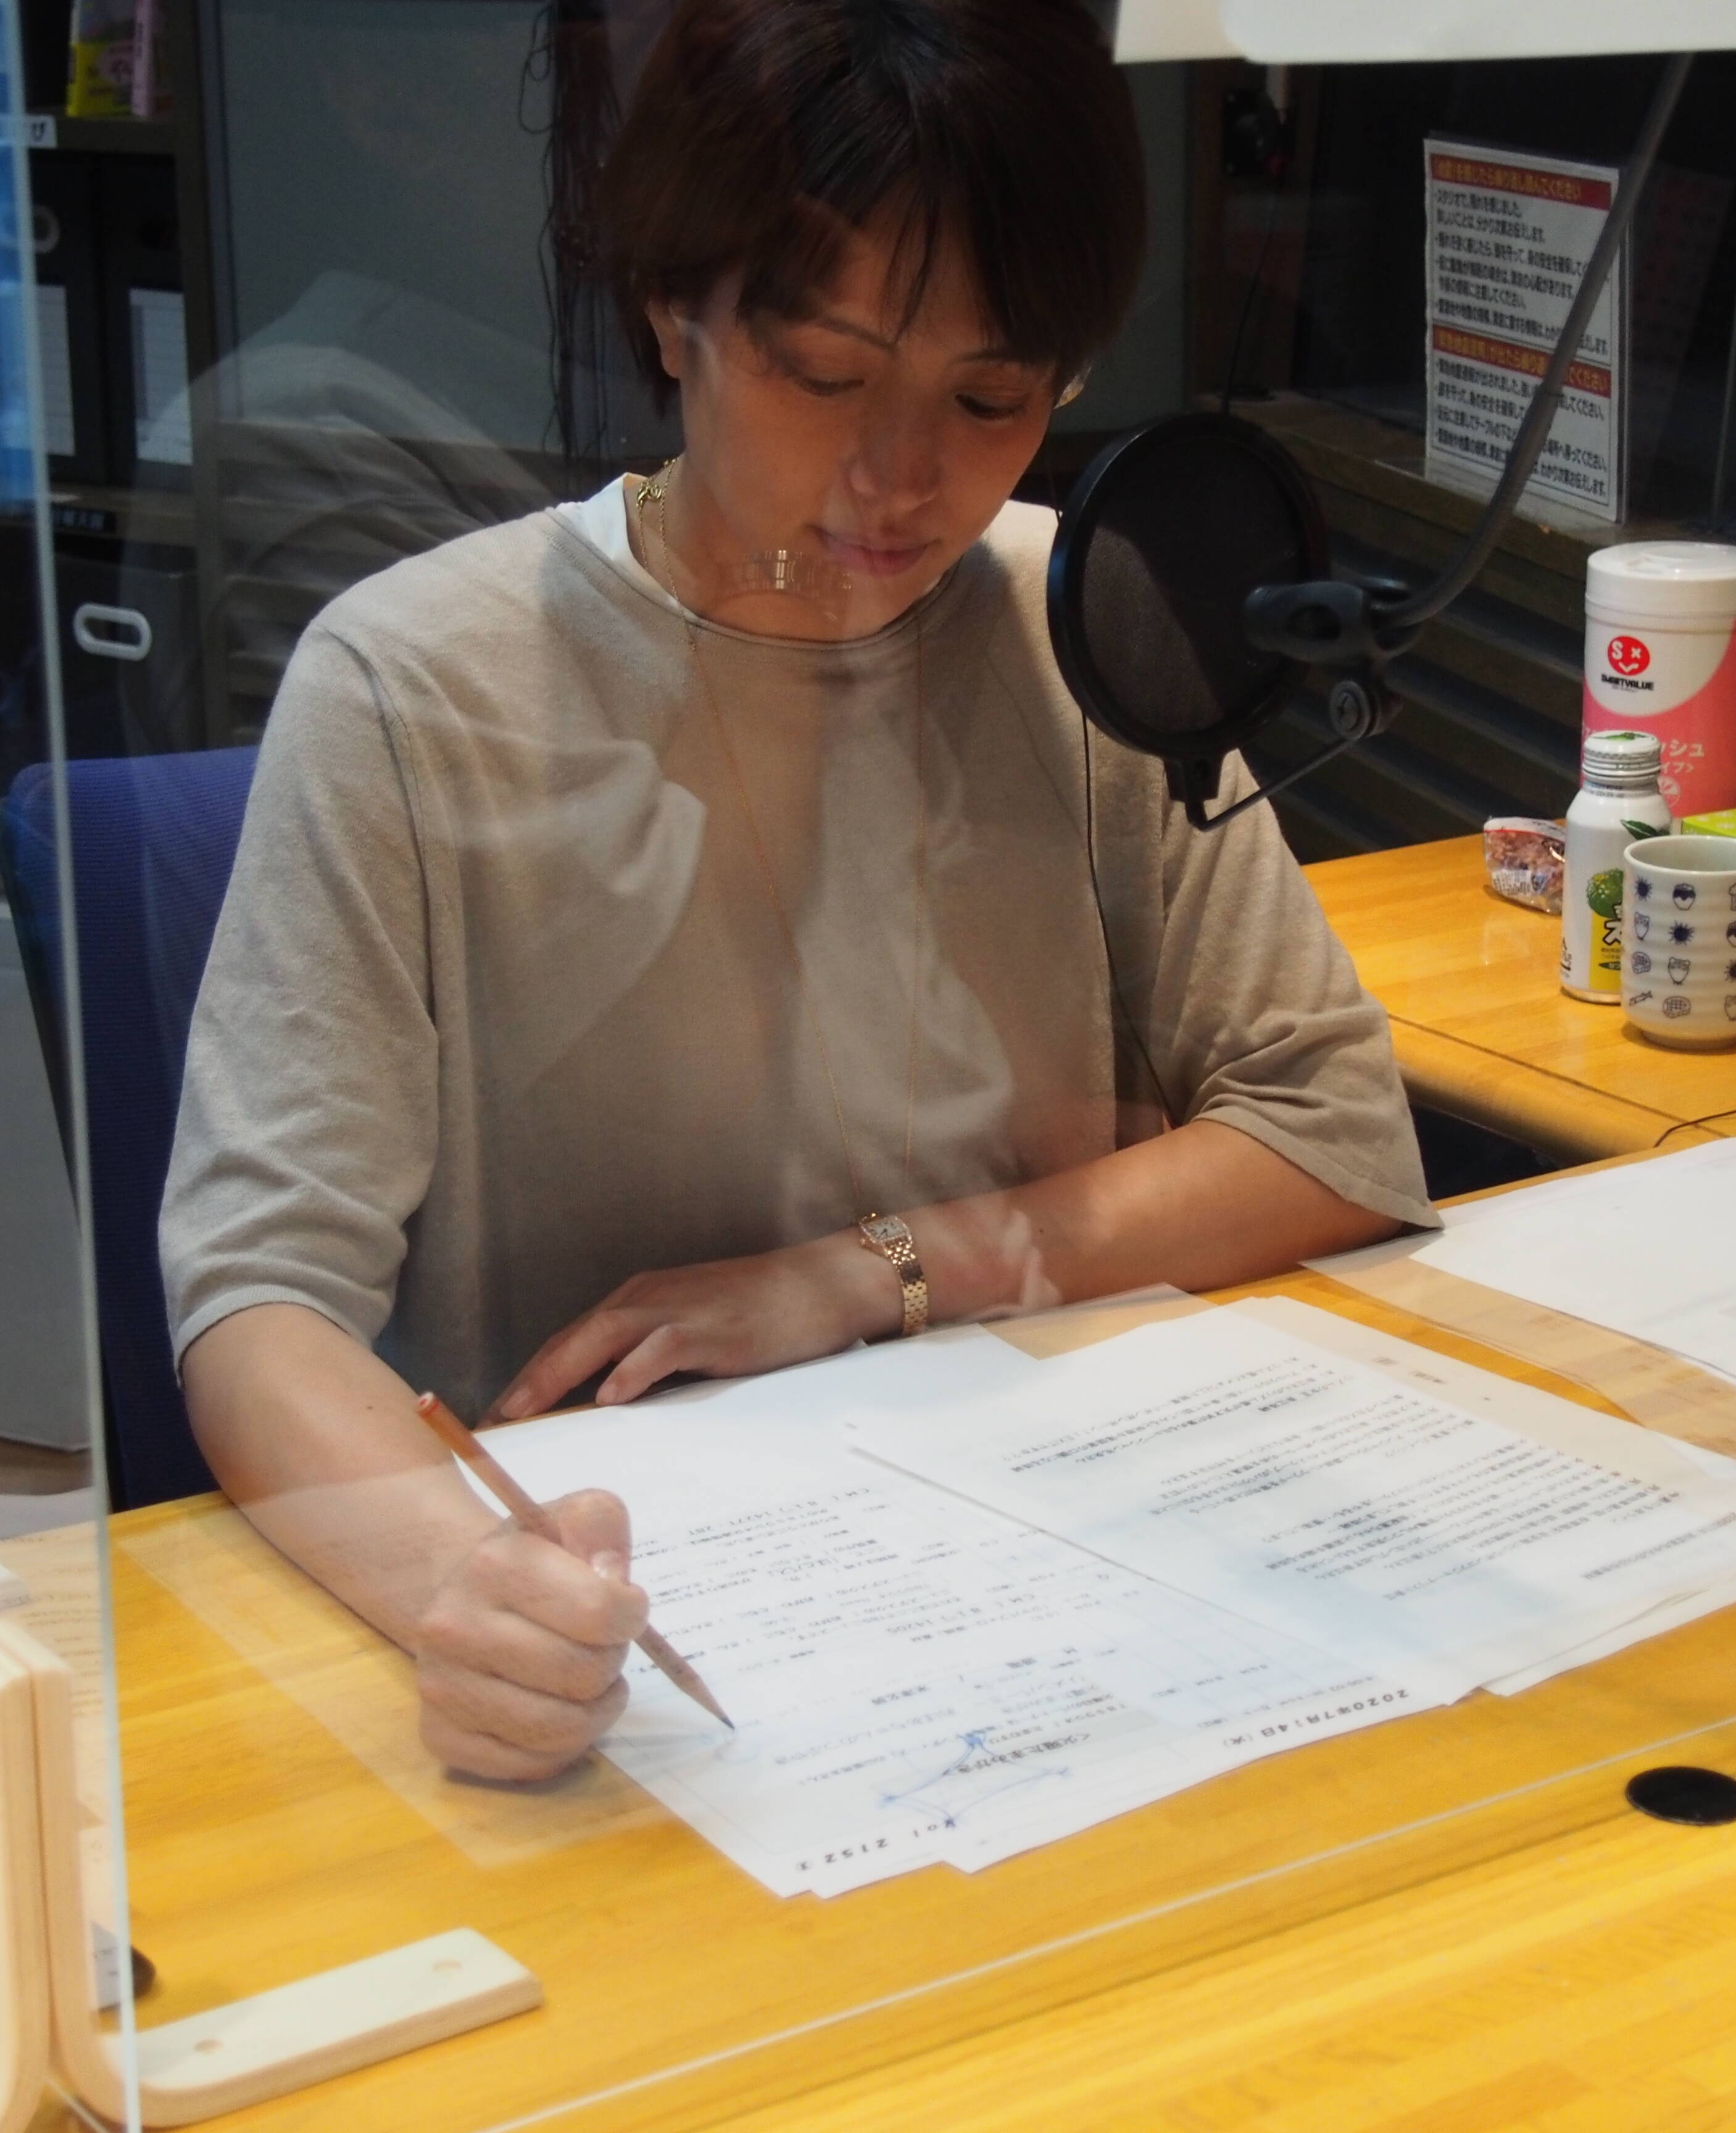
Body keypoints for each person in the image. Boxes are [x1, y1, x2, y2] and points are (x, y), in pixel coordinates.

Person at [161, 0, 1432, 1783]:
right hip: (632, 1618)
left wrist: (859, 1277)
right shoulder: (413, 685)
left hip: (1057, 1571)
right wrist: (469, 1590)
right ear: (671, 310)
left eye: (991, 399)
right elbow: (256, 1295)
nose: (901, 480)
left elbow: (1332, 1134)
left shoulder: (1083, 626)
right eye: (826, 376)